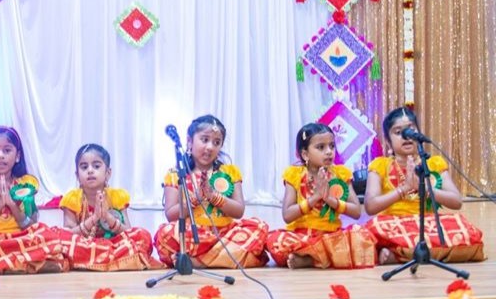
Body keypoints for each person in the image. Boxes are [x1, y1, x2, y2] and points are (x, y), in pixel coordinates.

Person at [364, 107, 484, 264]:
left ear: (419, 134)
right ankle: (429, 253)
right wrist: (404, 189)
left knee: (462, 227)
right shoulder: (380, 165)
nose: (406, 136)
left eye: (411, 130)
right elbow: (370, 206)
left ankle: (398, 254)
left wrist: (425, 189)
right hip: (394, 224)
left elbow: (456, 201)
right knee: (374, 228)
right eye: (398, 132)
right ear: (388, 141)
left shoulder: (433, 163)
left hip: (428, 224)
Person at [154, 115, 269, 268]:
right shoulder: (176, 175)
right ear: (189, 141)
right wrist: (196, 199)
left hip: (225, 235)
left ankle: (197, 262)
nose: (210, 147)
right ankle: (222, 259)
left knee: (258, 227)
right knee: (165, 233)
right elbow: (171, 215)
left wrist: (213, 196)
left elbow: (239, 211)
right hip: (195, 235)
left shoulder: (229, 172)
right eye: (205, 139)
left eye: (216, 142)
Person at [265, 122, 376, 268]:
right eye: (321, 147)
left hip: (330, 236)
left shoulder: (341, 174)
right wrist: (315, 198)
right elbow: (287, 215)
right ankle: (320, 258)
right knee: (273, 240)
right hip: (302, 236)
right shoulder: (294, 175)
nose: (329, 151)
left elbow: (356, 211)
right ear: (305, 154)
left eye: (332, 146)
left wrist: (330, 200)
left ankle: (310, 260)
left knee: (360, 238)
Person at [0, 126, 67, 274]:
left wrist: (12, 205)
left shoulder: (26, 184)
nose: (1, 156)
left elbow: (31, 226)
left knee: (48, 236)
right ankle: (21, 264)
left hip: (21, 239)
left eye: (7, 150)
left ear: (17, 156)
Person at [59, 143, 162, 271]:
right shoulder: (72, 199)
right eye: (84, 167)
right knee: (60, 240)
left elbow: (128, 231)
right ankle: (115, 262)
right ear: (77, 175)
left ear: (108, 173)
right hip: (84, 247)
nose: (90, 170)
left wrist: (108, 217)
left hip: (112, 245)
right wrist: (94, 219)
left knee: (141, 235)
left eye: (96, 166)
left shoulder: (117, 196)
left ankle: (94, 262)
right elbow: (67, 234)